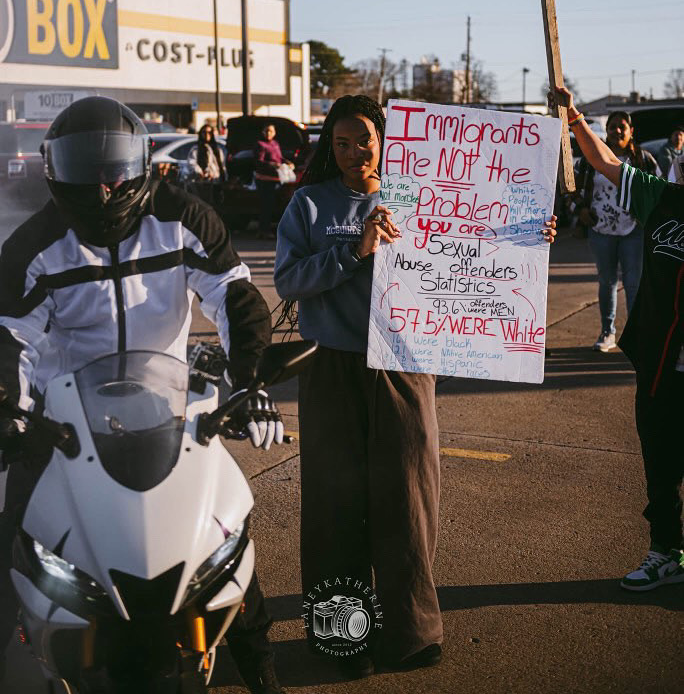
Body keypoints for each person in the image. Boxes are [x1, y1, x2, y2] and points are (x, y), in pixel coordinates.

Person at [0, 97, 285, 693]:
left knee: (223, 532)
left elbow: (233, 298)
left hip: (166, 410)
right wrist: (8, 408)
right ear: (56, 170)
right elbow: (9, 338)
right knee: (16, 534)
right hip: (61, 421)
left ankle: (259, 664)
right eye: (84, 170)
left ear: (138, 165)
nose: (101, 188)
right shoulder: (34, 245)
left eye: (112, 171)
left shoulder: (184, 218)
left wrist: (252, 382)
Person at [274, 94, 556, 678]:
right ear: (331, 148)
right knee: (334, 505)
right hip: (331, 368)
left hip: (405, 362)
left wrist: (528, 236)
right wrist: (354, 251)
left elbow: (482, 240)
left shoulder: (427, 189)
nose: (355, 152)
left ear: (386, 136)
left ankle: (410, 634)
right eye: (342, 143)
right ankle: (340, 639)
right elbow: (288, 280)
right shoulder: (308, 204)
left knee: (409, 499)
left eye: (365, 139)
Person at [553, 85, 684, 592]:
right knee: (661, 467)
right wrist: (576, 119)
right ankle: (666, 553)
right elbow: (606, 164)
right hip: (660, 364)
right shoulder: (661, 198)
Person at [569, 109, 658, 352]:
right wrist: (581, 210)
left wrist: (646, 217)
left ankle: (636, 335)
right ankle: (608, 333)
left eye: (622, 126)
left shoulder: (643, 160)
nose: (617, 130)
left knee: (633, 284)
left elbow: (658, 192)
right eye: (612, 126)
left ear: (631, 131)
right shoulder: (590, 158)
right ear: (606, 130)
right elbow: (570, 186)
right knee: (606, 282)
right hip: (600, 230)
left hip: (634, 231)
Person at [254, 123, 292, 239]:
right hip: (264, 179)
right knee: (266, 205)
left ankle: (271, 229)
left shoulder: (275, 143)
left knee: (275, 205)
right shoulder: (260, 144)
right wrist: (274, 165)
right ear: (262, 132)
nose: (268, 133)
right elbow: (259, 162)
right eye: (266, 131)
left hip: (276, 179)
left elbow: (279, 158)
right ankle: (263, 230)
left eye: (271, 131)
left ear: (274, 133)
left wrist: (288, 162)